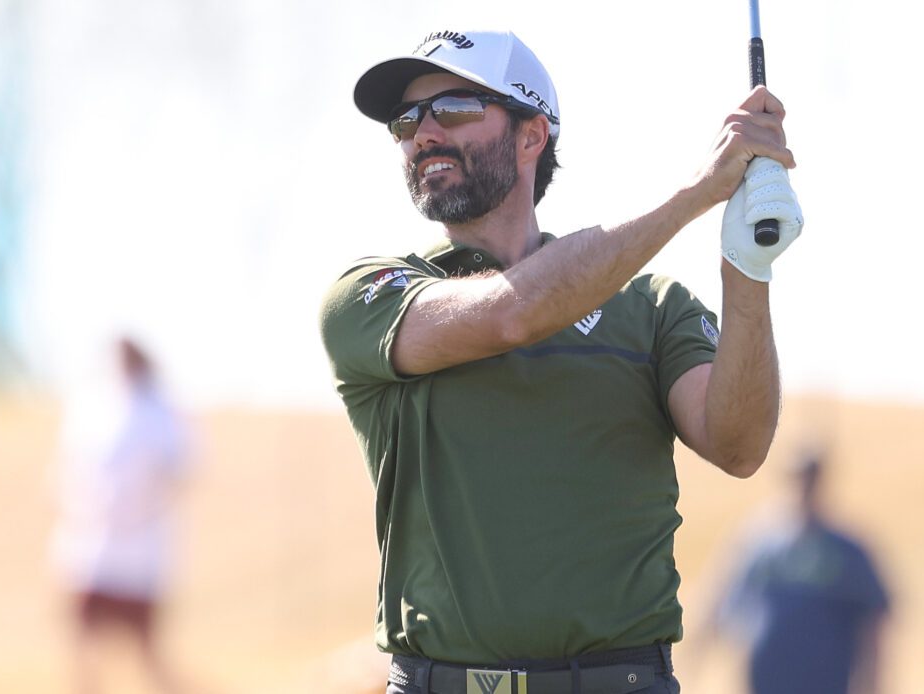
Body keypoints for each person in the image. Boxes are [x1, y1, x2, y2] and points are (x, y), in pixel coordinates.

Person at [319, 28, 804, 694]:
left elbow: (740, 444)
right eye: (406, 120)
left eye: (453, 109)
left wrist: (748, 265)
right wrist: (697, 190)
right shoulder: (371, 295)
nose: (422, 132)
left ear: (530, 136)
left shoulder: (650, 307)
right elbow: (511, 313)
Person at [50, 336, 192, 694]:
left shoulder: (160, 412)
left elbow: (180, 472)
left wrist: (145, 509)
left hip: (140, 551)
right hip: (91, 548)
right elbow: (67, 472)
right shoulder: (92, 407)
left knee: (147, 655)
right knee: (82, 648)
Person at [705, 455, 890, 694]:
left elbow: (872, 621)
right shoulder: (760, 544)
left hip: (826, 682)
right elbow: (723, 603)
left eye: (810, 480)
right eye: (798, 480)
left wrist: (872, 684)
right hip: (766, 681)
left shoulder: (847, 551)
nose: (803, 489)